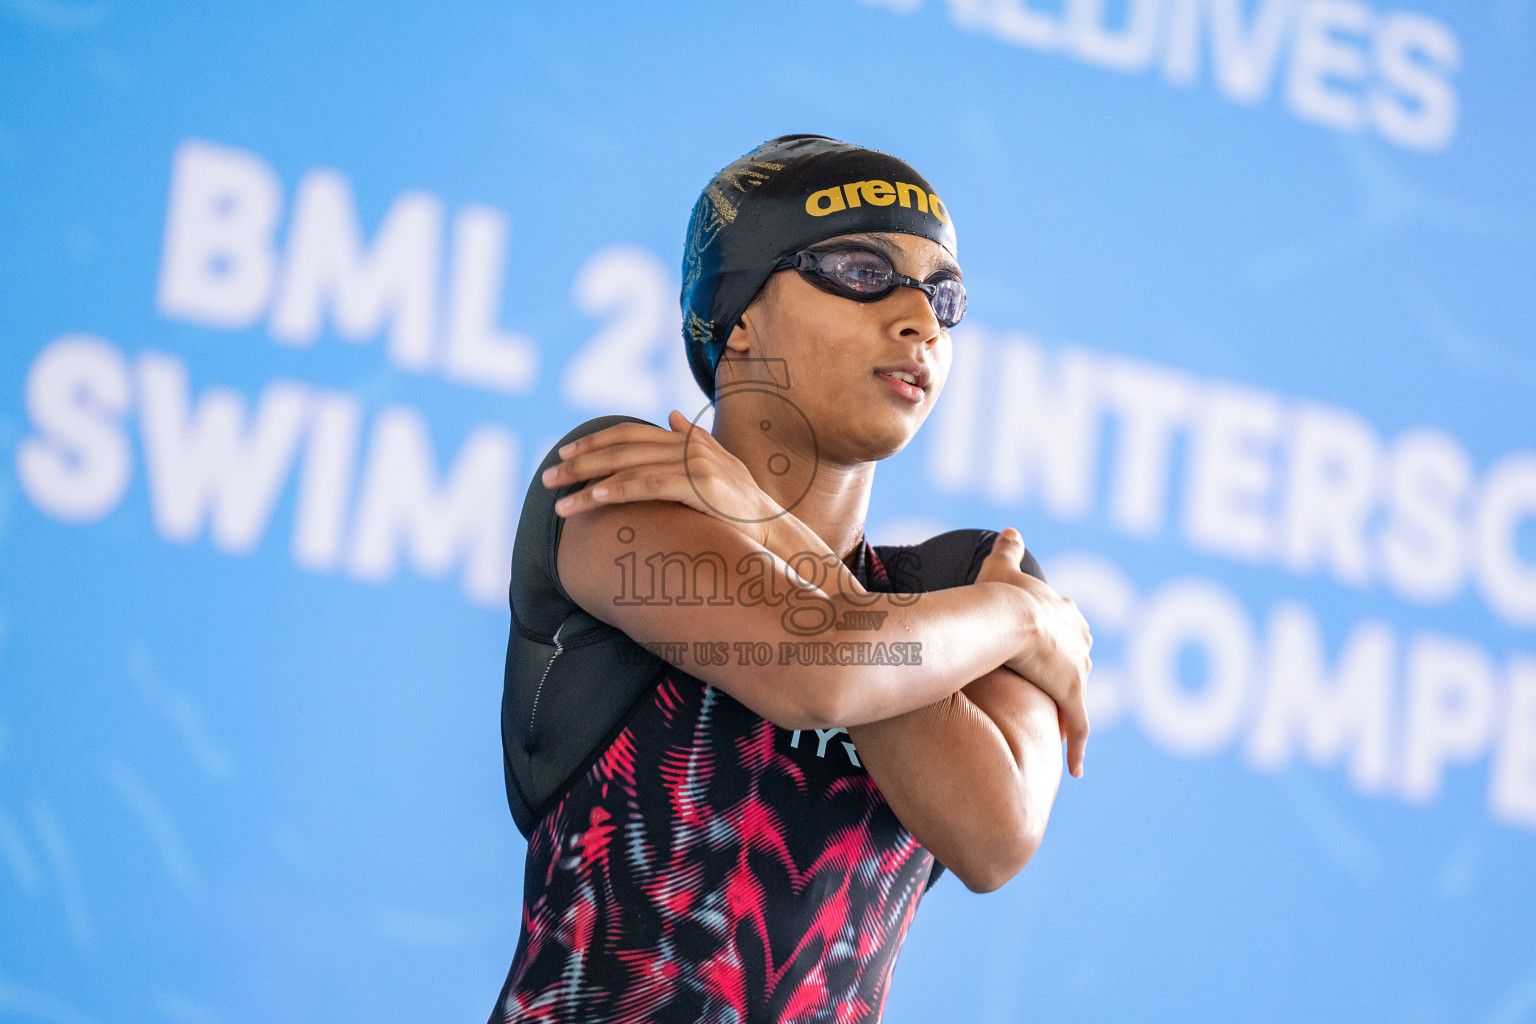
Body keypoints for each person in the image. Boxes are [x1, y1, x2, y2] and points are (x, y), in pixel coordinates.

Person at [490, 134, 1092, 1024]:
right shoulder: (619, 488)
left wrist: (770, 523)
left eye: (943, 296)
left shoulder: (969, 578)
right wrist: (1020, 622)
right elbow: (825, 676)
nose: (919, 320)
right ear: (739, 316)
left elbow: (993, 835)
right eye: (861, 269)